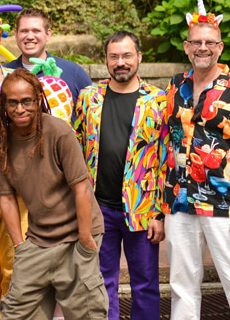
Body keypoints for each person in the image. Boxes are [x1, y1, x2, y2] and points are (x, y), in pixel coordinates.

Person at [163, 0, 230, 319]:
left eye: (210, 42)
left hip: (226, 207)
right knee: (182, 288)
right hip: (179, 203)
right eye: (196, 42)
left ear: (220, 47)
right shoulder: (175, 85)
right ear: (187, 47)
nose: (203, 48)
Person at [0, 68, 107, 319]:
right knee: (17, 312)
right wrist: (19, 245)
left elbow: (81, 187)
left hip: (77, 236)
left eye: (27, 101)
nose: (20, 109)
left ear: (38, 99)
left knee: (86, 312)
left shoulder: (59, 132)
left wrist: (85, 239)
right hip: (37, 239)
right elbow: (6, 198)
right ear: (4, 104)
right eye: (13, 102)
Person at [74, 31, 167, 320]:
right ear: (106, 60)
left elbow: (167, 160)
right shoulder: (89, 98)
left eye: (127, 55)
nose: (121, 62)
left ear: (139, 57)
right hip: (98, 209)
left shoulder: (159, 101)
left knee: (146, 283)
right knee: (101, 283)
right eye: (114, 56)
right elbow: (75, 150)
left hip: (143, 209)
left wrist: (161, 213)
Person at [4, 8, 92, 118]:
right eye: (24, 31)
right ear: (16, 34)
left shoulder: (73, 72)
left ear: (48, 34)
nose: (30, 36)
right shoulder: (5, 74)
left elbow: (92, 116)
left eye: (36, 31)